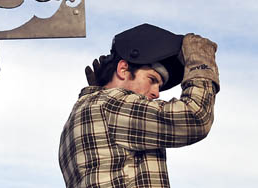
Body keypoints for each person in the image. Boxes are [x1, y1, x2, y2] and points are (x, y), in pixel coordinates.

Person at [58, 23, 220, 188]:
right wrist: (200, 61)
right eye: (152, 80)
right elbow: (196, 116)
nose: (157, 93)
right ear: (123, 69)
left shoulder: (83, 112)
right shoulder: (110, 104)